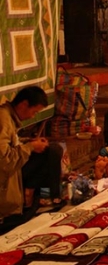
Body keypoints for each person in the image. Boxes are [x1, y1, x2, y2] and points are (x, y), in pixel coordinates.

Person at [0, 86, 63, 221]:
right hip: (6, 176)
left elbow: (13, 143)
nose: (32, 116)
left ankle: (49, 196)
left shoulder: (9, 117)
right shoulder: (3, 119)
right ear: (24, 105)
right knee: (52, 152)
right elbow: (4, 159)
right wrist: (30, 147)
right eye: (34, 112)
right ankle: (43, 196)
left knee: (53, 150)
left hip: (14, 163)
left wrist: (30, 142)